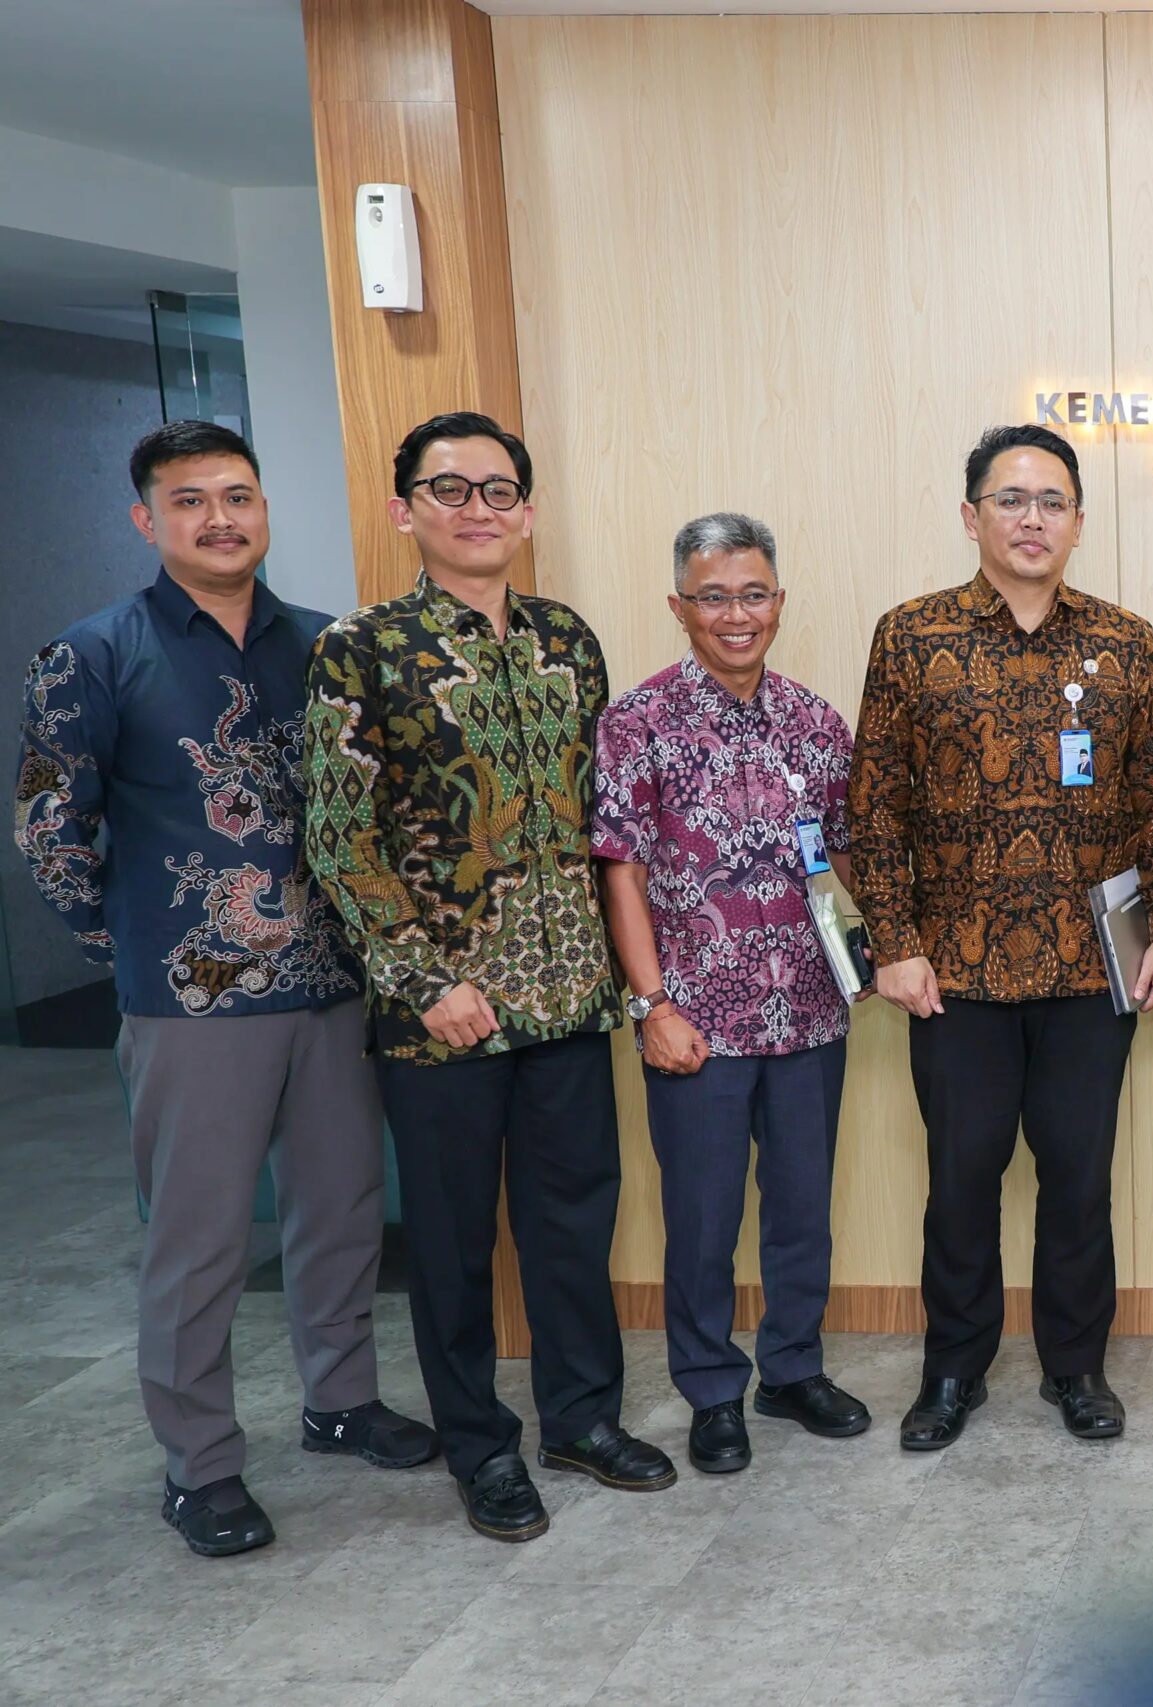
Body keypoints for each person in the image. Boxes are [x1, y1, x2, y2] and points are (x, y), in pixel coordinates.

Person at [12, 421, 434, 1558]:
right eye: (190, 500)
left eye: (238, 496)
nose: (220, 518)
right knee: (198, 1239)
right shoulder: (93, 654)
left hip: (333, 982)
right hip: (192, 997)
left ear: (263, 509)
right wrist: (130, 946)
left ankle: (340, 1400)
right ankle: (199, 1464)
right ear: (147, 519)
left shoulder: (328, 645)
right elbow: (50, 826)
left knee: (342, 1207)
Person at [303, 411, 674, 1543]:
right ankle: (480, 1447)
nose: (478, 510)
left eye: (499, 490)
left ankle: (583, 1419)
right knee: (455, 1247)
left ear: (527, 509)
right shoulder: (361, 648)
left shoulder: (568, 639)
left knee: (574, 1226)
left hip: (568, 999)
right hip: (444, 1018)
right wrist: (423, 980)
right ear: (404, 508)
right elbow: (339, 838)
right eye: (451, 489)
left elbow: (606, 823)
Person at [847, 424, 1153, 1451]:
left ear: (1078, 521)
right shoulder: (911, 636)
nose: (1032, 518)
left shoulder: (1124, 640)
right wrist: (894, 941)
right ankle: (953, 1370)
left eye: (1052, 501)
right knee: (962, 1181)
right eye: (1011, 499)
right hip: (953, 971)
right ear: (971, 516)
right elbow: (874, 805)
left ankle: (1076, 1367)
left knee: (1079, 1180)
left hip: (1091, 968)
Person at [593, 513, 869, 1476]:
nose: (736, 614)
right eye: (713, 596)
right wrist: (651, 1006)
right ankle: (712, 1391)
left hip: (810, 1011)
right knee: (704, 1219)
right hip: (696, 1023)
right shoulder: (638, 722)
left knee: (803, 1210)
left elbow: (841, 859)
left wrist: (866, 961)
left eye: (753, 594)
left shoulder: (816, 722)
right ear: (679, 607)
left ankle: (793, 1369)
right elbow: (620, 872)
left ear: (779, 602)